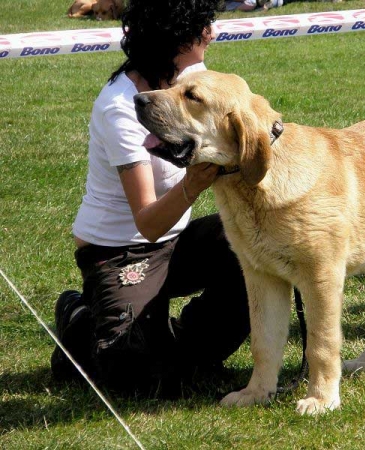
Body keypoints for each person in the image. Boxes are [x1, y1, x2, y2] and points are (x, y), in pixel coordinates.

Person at [51, 0, 251, 393]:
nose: (211, 33)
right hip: (120, 251)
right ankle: (79, 321)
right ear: (176, 40)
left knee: (259, 250)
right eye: (202, 27)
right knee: (136, 381)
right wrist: (194, 183)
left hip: (173, 242)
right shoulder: (120, 107)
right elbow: (147, 222)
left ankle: (185, 344)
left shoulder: (189, 78)